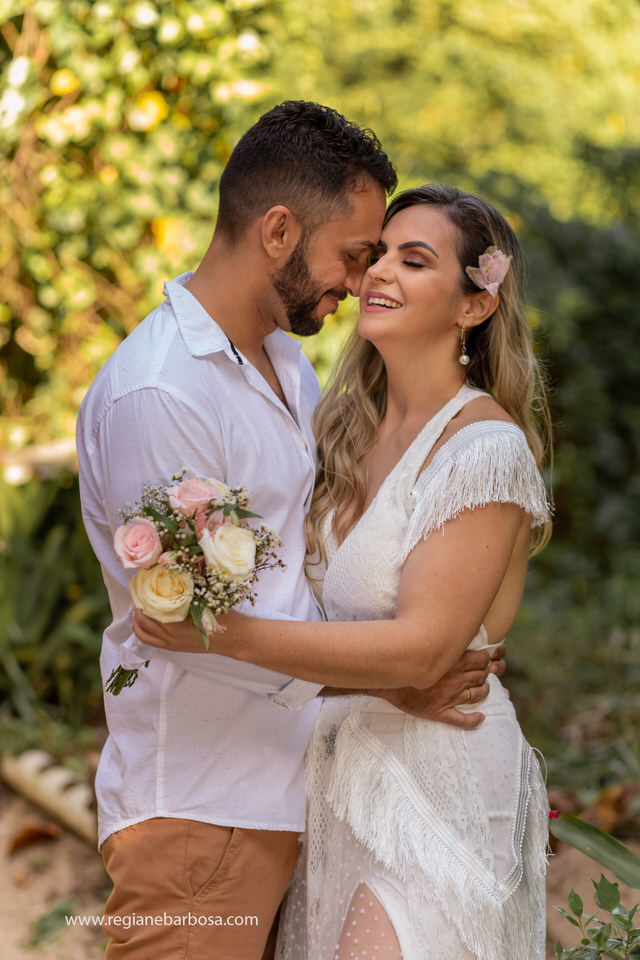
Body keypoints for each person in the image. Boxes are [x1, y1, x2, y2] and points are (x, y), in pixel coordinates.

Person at [77, 103, 502, 960]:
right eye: (354, 253)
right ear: (278, 230)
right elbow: (189, 627)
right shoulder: (161, 395)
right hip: (201, 812)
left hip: (284, 792)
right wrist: (379, 685)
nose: (360, 279)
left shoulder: (285, 364)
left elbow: (288, 579)